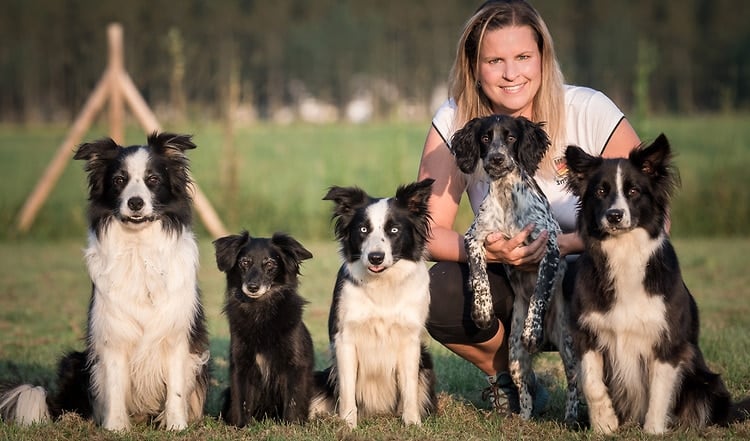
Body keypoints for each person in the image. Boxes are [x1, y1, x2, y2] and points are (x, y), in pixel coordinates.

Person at [417, 0, 641, 416]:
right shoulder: (455, 120)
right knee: (437, 289)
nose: (511, 74)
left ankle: (606, 374)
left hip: (586, 270)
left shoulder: (588, 109)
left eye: (523, 57)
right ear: (473, 65)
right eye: (494, 60)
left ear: (543, 58)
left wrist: (568, 242)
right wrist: (487, 251)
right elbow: (426, 230)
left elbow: (654, 211)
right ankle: (516, 377)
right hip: (506, 275)